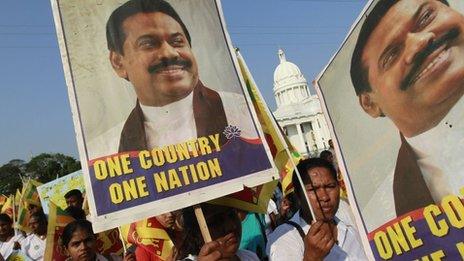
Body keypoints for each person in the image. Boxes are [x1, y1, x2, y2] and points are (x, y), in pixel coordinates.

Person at [89, 0, 256, 158]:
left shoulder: (243, 113)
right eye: (148, 44)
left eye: (177, 42)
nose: (170, 53)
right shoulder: (105, 151)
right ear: (118, 62)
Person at [350, 0, 464, 218]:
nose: (421, 42)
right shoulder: (380, 206)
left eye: (426, 18)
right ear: (370, 103)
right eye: (392, 55)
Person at [266, 158, 366, 260]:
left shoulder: (351, 226)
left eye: (330, 186)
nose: (324, 197)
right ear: (298, 195)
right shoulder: (285, 238)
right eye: (313, 190)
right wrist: (311, 257)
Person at [177, 204, 259, 260]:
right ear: (196, 235)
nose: (231, 226)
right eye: (217, 221)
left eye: (232, 214)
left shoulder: (248, 257)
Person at [62, 219, 135, 261]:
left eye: (88, 240)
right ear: (66, 251)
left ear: (95, 240)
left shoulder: (112, 259)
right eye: (76, 244)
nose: (83, 247)